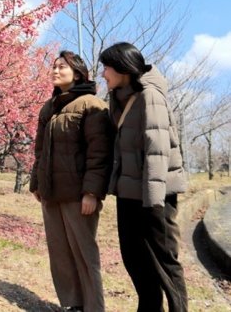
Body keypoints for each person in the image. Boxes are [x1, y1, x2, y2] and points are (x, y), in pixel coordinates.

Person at [100, 42, 188, 311]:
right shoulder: (122, 98)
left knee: (163, 261)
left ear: (123, 68)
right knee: (134, 258)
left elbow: (157, 150)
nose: (103, 74)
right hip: (129, 193)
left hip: (153, 196)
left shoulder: (150, 96)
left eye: (107, 68)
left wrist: (153, 201)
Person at [30, 50, 114, 312]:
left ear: (77, 73)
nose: (55, 71)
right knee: (60, 253)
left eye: (62, 67)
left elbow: (99, 153)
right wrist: (36, 184)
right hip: (51, 192)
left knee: (84, 254)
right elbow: (40, 151)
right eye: (54, 67)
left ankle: (93, 307)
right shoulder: (49, 106)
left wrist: (92, 192)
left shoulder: (92, 104)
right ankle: (71, 305)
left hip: (79, 195)